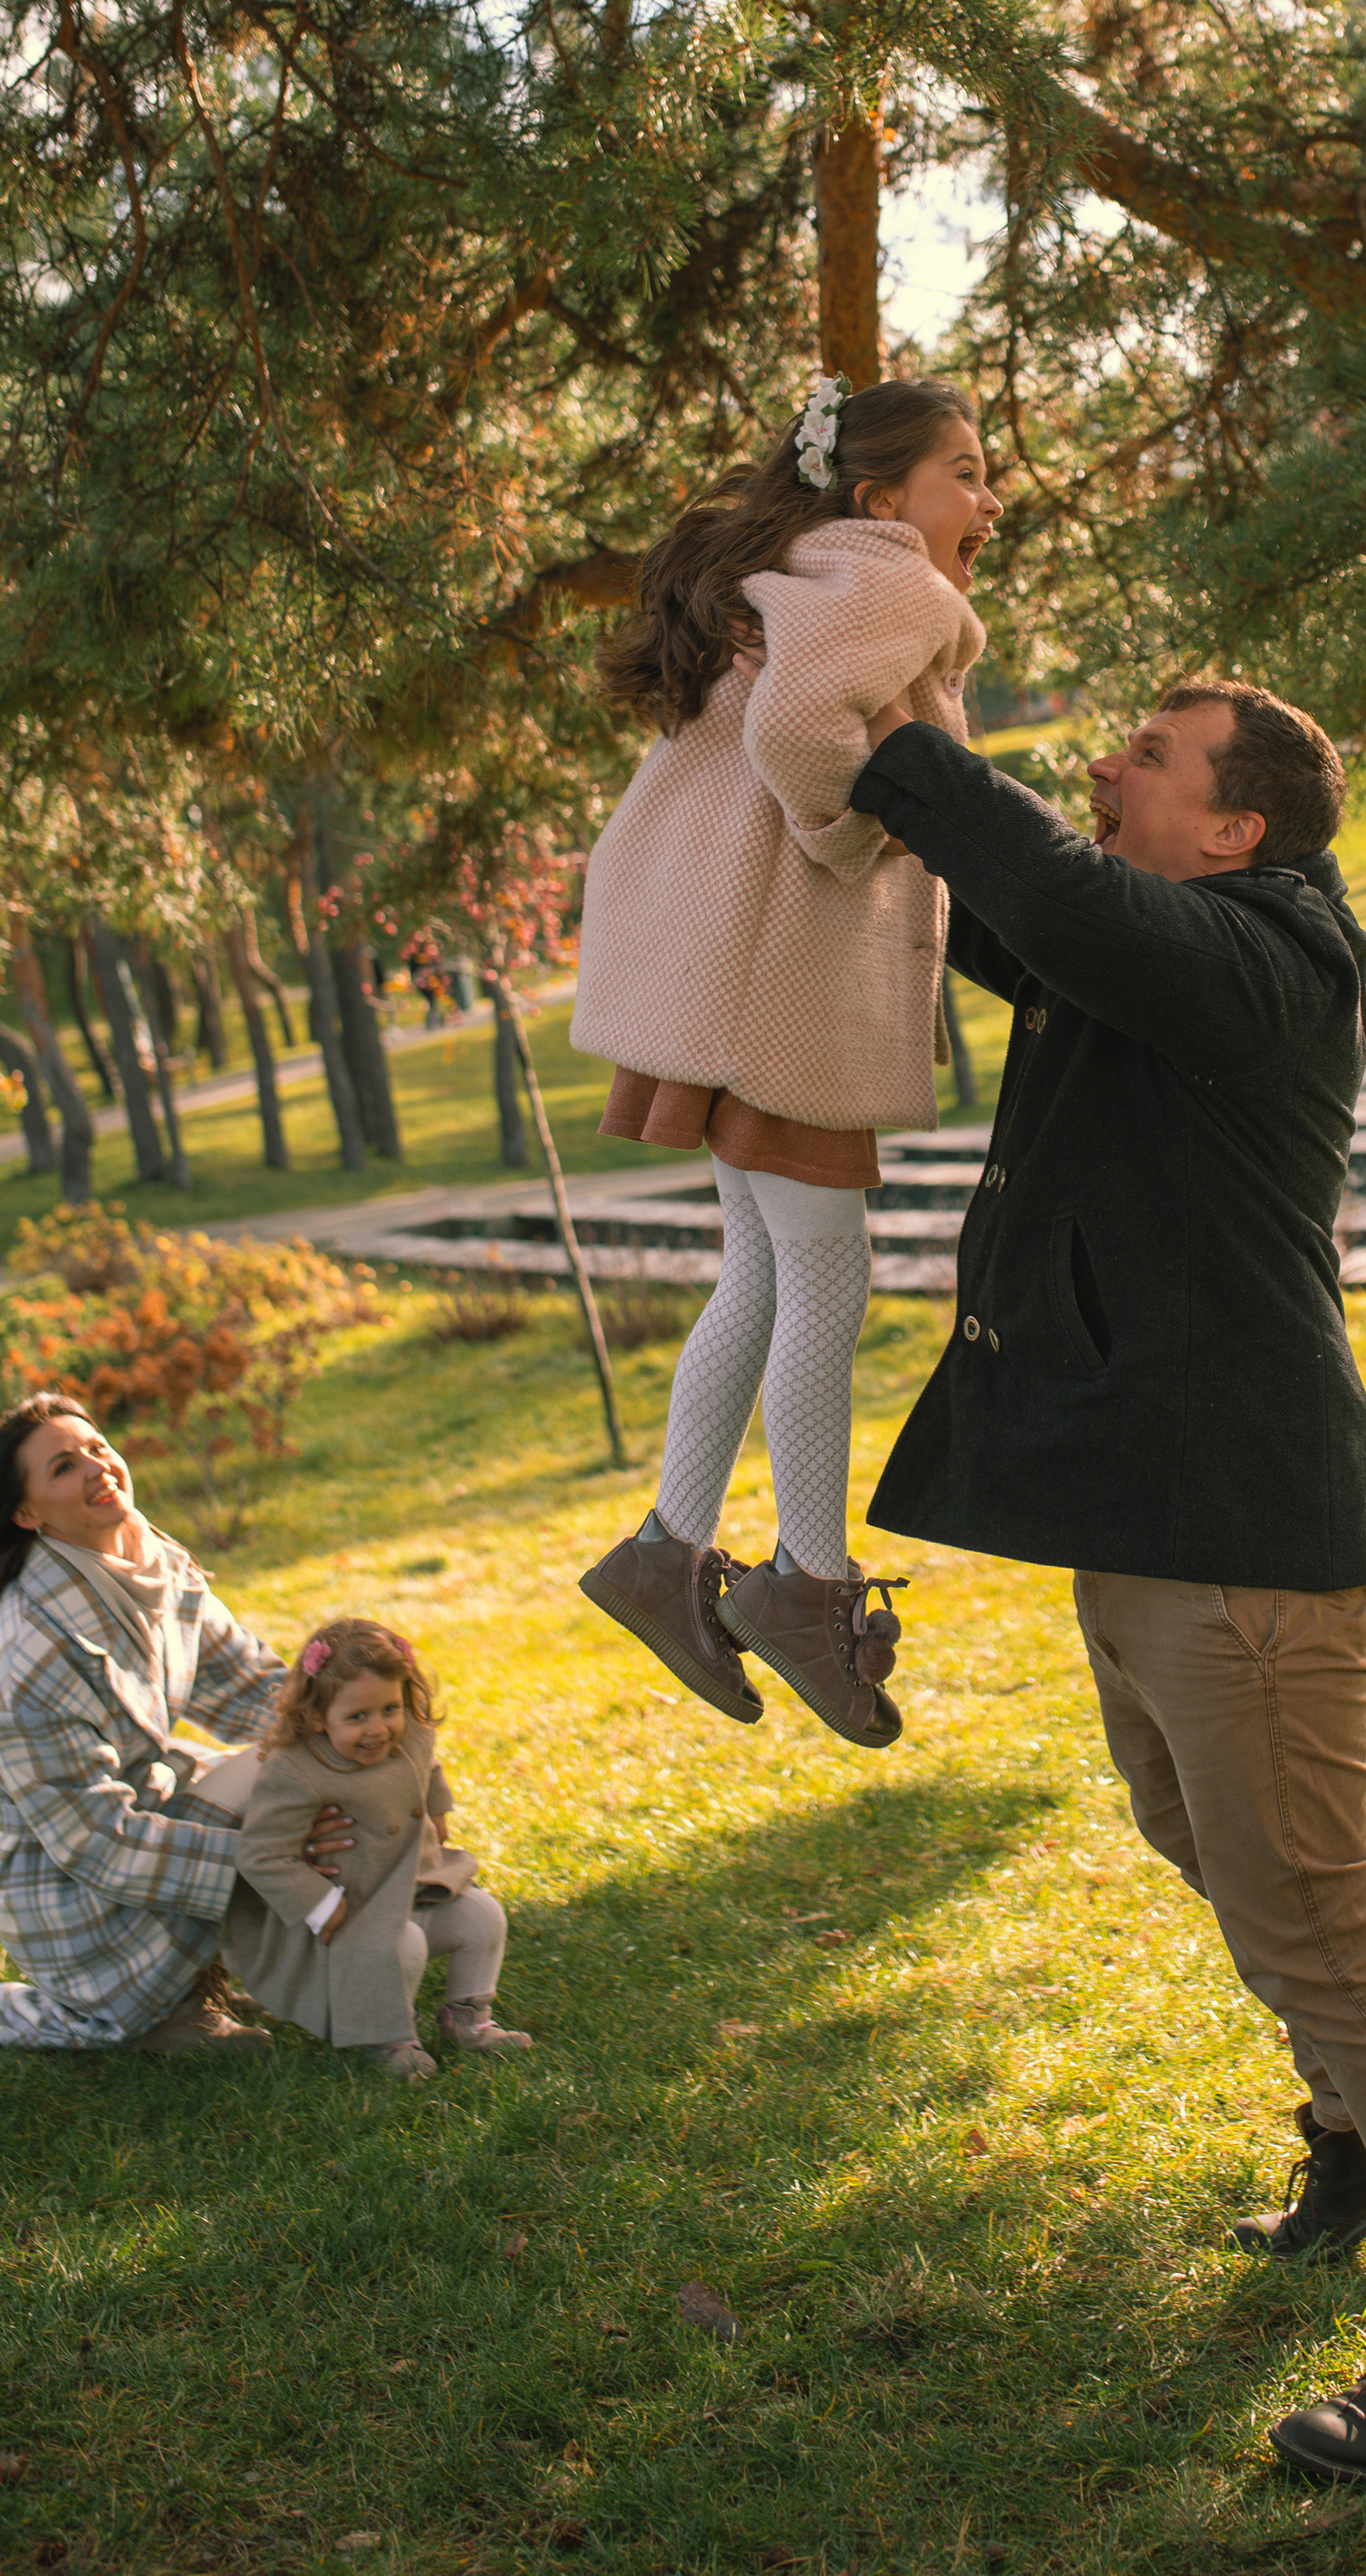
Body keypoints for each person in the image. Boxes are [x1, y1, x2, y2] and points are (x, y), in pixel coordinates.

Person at [845, 678, 1366, 2478]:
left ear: (1234, 828)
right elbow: (1022, 910)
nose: (1103, 767)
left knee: (1324, 1923)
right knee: (1194, 1838)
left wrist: (896, 736)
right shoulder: (1159, 955)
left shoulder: (1266, 969)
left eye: (1146, 758)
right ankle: (1346, 2141)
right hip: (1156, 1523)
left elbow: (1058, 899)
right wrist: (885, 725)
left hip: (1240, 1544)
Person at [571, 371, 997, 1747]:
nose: (990, 501)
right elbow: (802, 736)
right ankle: (807, 1582)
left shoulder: (798, 570)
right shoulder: (892, 582)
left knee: (760, 1267)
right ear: (883, 499)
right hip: (776, 980)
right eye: (968, 474)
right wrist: (843, 835)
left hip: (720, 967)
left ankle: (667, 1549)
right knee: (828, 1275)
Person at [0, 1396, 295, 2051]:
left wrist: (359, 1726)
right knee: (268, 1791)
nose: (96, 1466)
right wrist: (271, 1858)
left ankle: (218, 1973)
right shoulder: (29, 1657)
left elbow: (251, 1685)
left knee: (289, 1764)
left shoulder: (148, 1557)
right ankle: (165, 2009)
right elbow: (97, 1844)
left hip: (141, 1808)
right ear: (27, 1514)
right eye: (63, 1466)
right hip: (74, 1907)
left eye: (96, 1446)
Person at [222, 1616, 530, 2082]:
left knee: (481, 1915)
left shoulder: (411, 1734)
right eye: (356, 1717)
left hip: (413, 1888)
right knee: (403, 1946)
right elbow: (262, 1854)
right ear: (314, 1716)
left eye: (389, 1708)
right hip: (352, 1913)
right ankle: (388, 2039)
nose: (378, 1729)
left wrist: (437, 1808)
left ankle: (467, 2020)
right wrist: (322, 1905)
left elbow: (428, 1765)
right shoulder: (295, 1770)